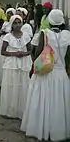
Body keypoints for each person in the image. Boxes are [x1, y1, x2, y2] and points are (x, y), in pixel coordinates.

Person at [21, 9, 70, 141]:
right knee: (58, 102)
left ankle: (41, 128)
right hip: (61, 74)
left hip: (45, 72)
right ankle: (57, 130)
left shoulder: (45, 33)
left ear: (50, 20)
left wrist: (33, 68)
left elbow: (38, 52)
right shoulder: (67, 35)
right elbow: (68, 57)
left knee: (42, 100)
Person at [0, 15, 32, 119]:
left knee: (22, 85)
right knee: (11, 85)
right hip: (11, 64)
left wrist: (24, 53)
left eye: (19, 22)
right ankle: (11, 109)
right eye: (15, 23)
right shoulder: (7, 37)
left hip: (24, 63)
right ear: (11, 24)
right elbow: (3, 51)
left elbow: (30, 50)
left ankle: (21, 109)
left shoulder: (26, 36)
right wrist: (14, 54)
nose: (18, 25)